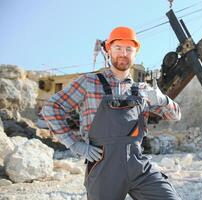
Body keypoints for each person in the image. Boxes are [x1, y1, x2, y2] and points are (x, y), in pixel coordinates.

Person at [42, 26, 181, 200]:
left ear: (135, 52)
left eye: (129, 49)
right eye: (118, 48)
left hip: (137, 164)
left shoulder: (144, 90)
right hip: (103, 166)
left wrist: (164, 101)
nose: (123, 53)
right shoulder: (88, 82)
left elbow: (175, 116)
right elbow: (51, 108)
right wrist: (74, 144)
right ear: (109, 50)